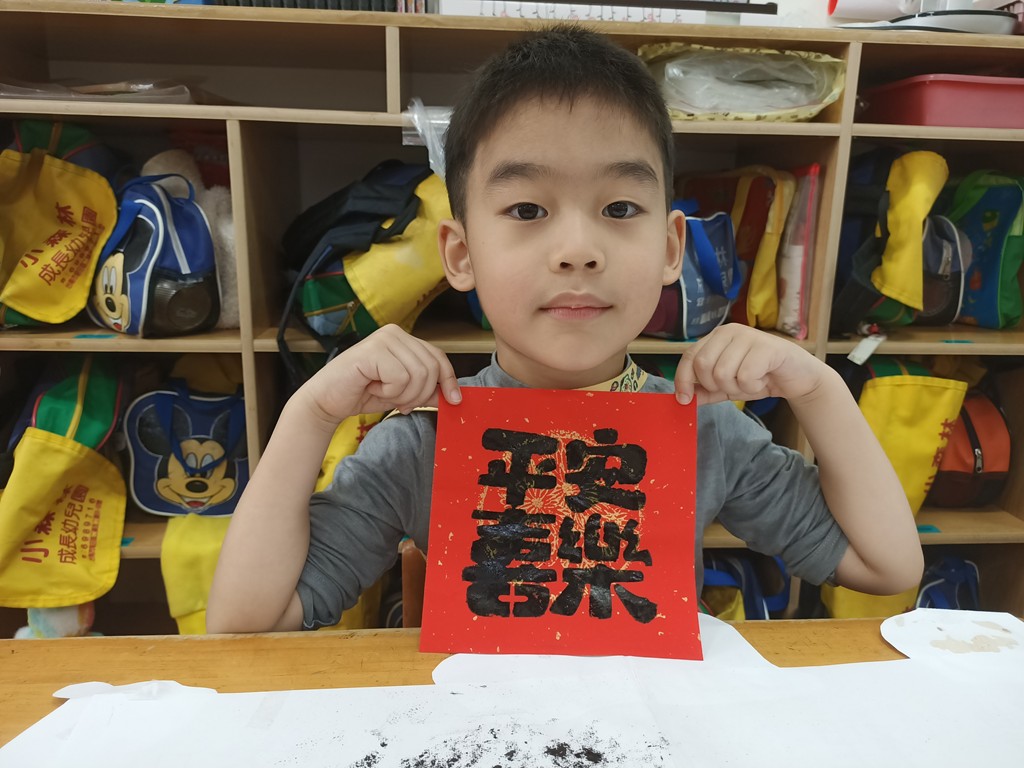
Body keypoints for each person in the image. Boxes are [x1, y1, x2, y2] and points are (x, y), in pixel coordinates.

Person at [206, 25, 923, 633]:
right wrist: (310, 411)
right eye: (527, 210)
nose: (578, 250)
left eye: (619, 209)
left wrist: (819, 389)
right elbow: (245, 622)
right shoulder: (424, 443)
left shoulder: (704, 431)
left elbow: (886, 565)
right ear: (461, 255)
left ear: (670, 248)